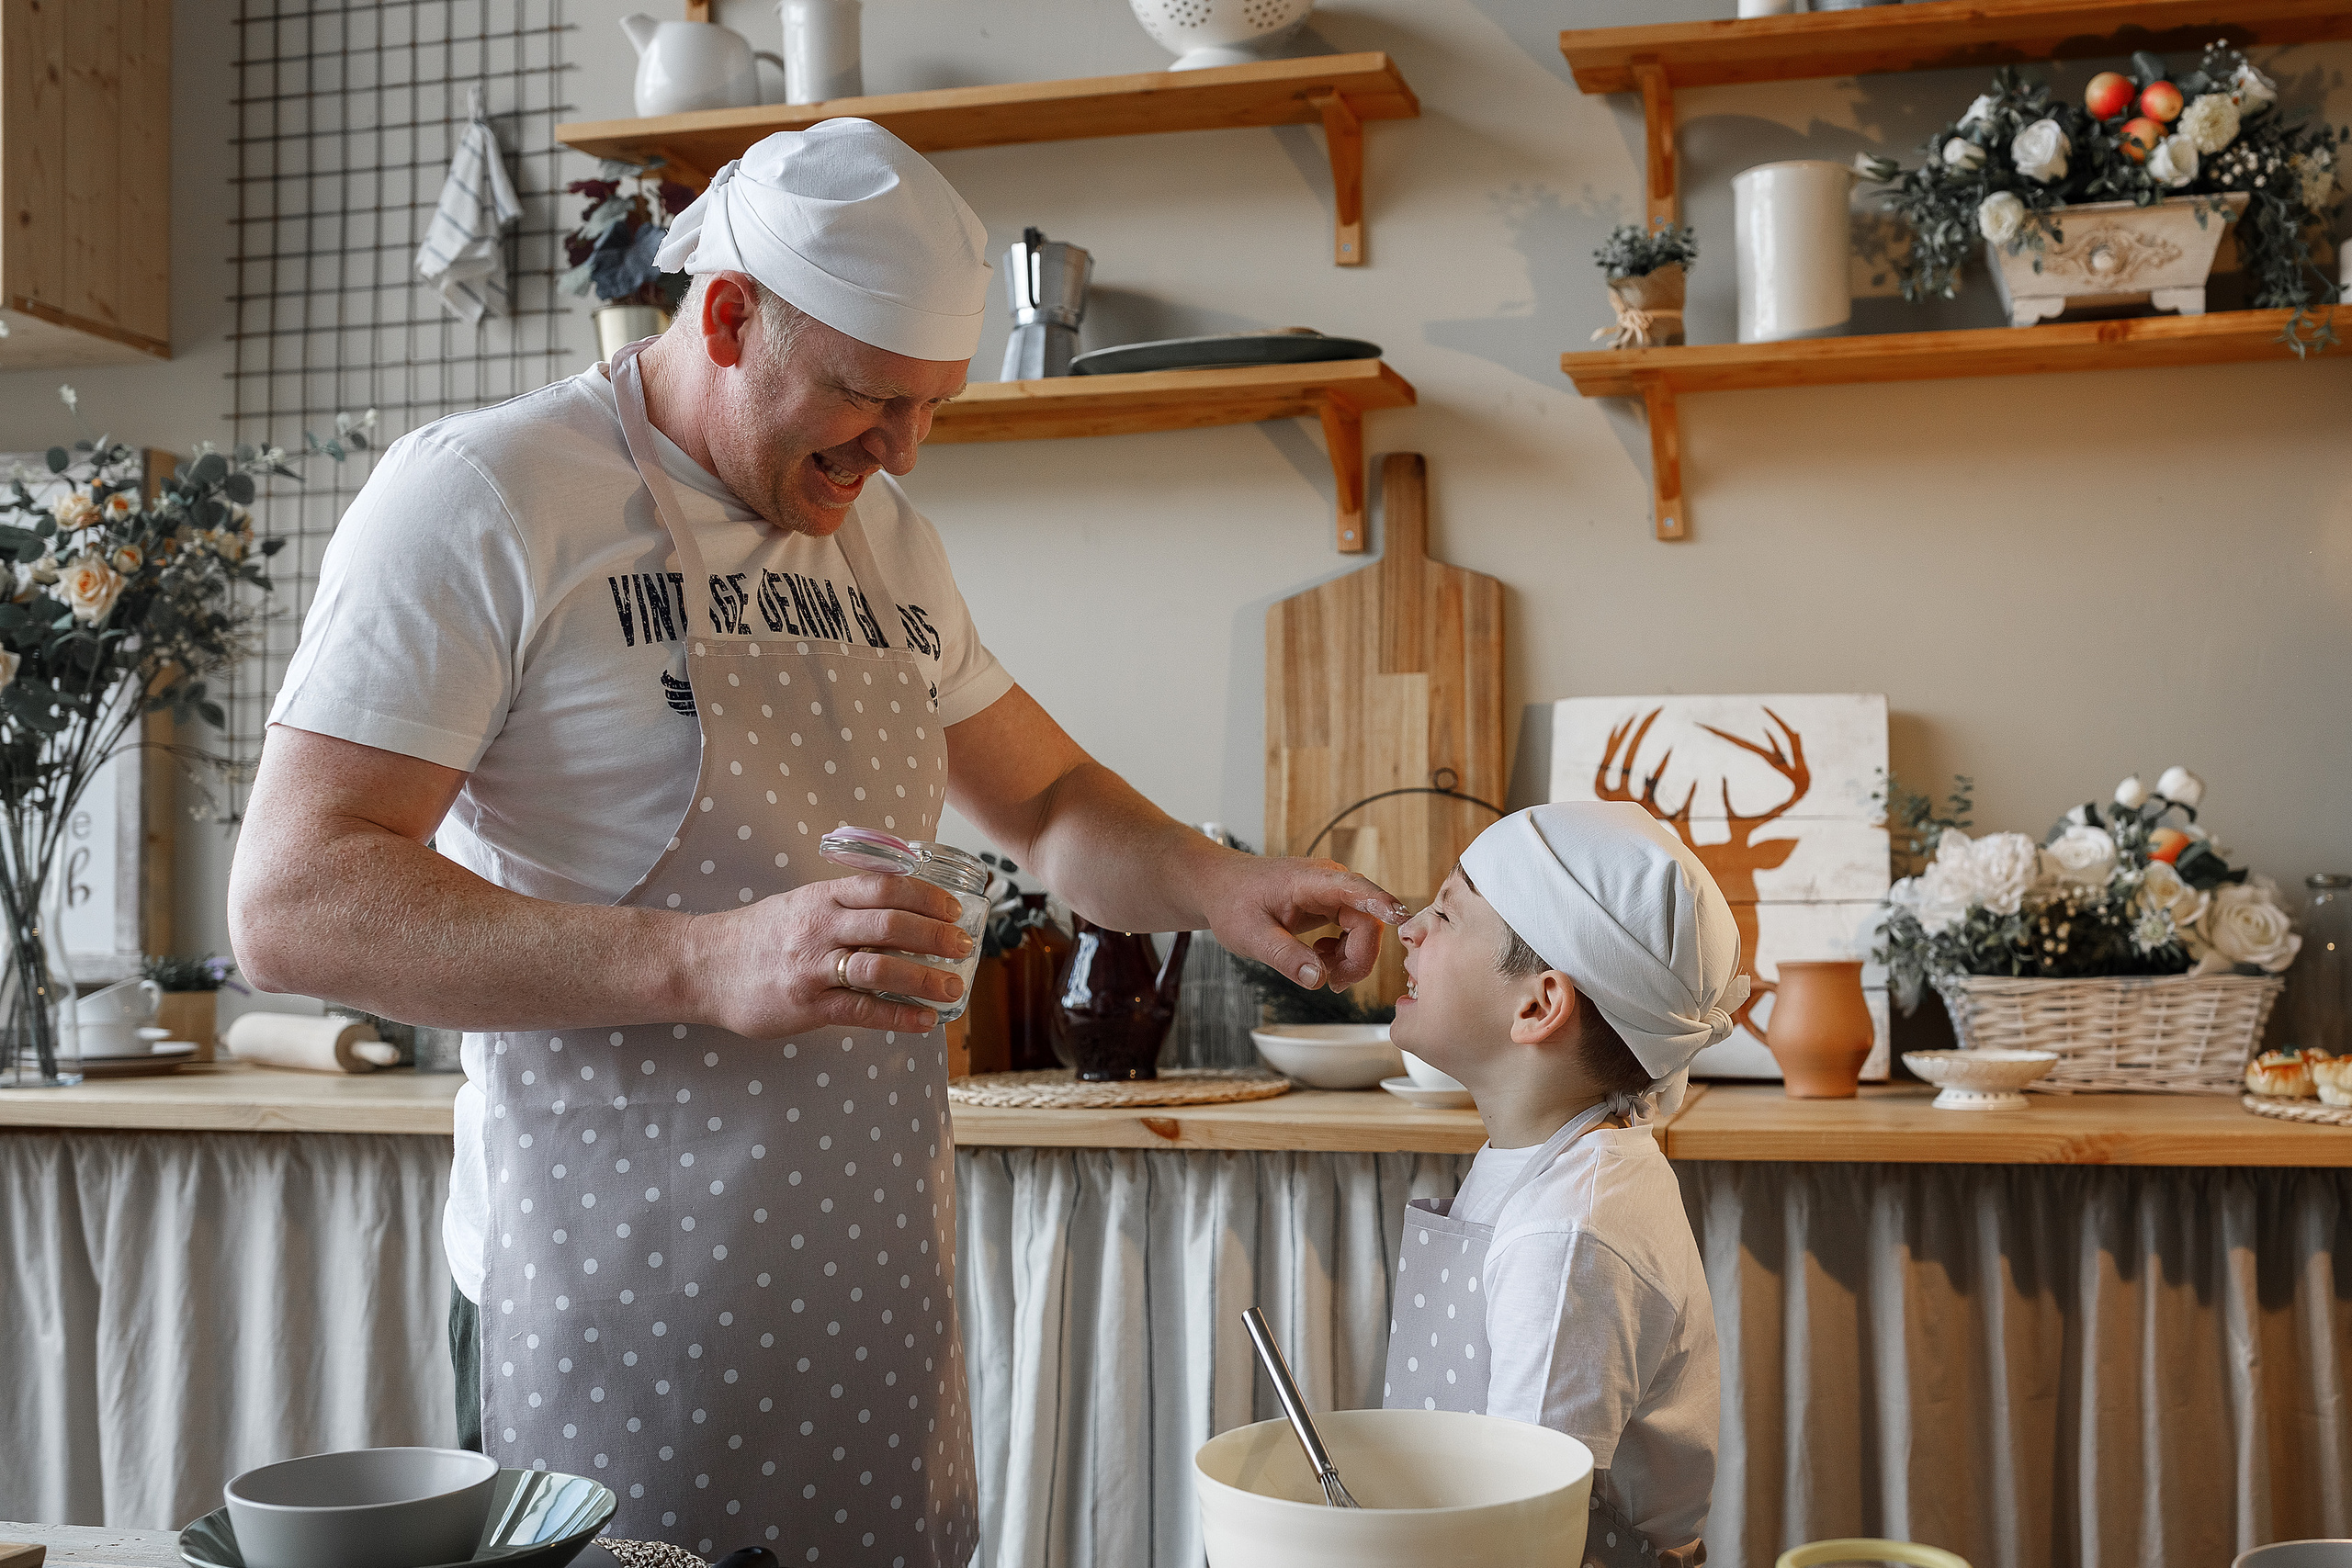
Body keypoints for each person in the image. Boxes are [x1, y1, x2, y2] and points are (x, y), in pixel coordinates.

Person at [226, 118, 1405, 1564]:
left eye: (934, 407)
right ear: (726, 315)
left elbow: (1045, 803)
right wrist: (701, 959)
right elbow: (294, 898)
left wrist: (1230, 885)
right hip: (606, 1278)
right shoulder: (486, 496)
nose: (903, 447)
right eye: (868, 396)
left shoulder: (886, 537)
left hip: (866, 1276)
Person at [1384, 801, 1745, 1568]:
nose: (1410, 927)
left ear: (1539, 1004)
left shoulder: (1570, 1235)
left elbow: (1525, 1531)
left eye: (1447, 913)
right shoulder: (1549, 1163)